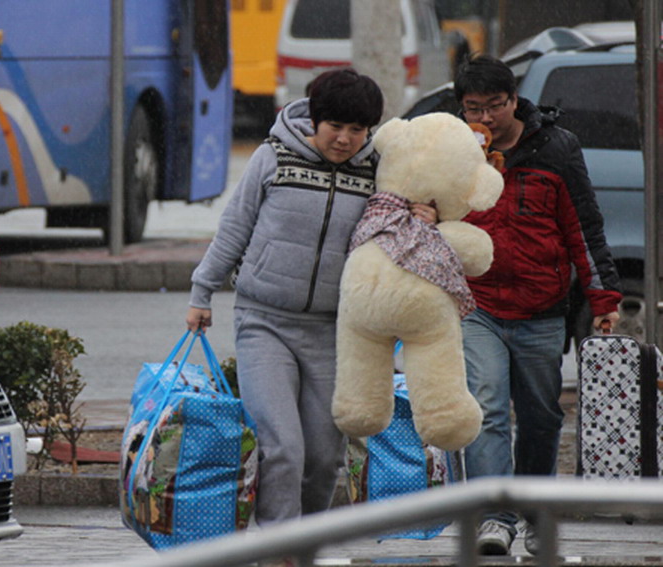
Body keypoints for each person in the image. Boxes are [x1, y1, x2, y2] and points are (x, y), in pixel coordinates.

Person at [185, 68, 437, 536]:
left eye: (356, 129)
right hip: (264, 322)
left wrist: (429, 213)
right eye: (334, 126)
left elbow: (403, 229)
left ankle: (304, 541)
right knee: (282, 446)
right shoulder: (274, 156)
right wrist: (203, 290)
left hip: (334, 331)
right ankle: (280, 548)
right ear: (314, 119)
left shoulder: (377, 172)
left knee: (324, 456)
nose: (344, 139)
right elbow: (234, 227)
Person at [454, 55, 622, 556]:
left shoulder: (556, 148)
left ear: (513, 99)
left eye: (494, 107)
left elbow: (585, 230)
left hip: (543, 310)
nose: (483, 120)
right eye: (472, 109)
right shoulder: (454, 150)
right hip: (476, 304)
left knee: (542, 416)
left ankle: (533, 513)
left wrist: (603, 298)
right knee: (485, 408)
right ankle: (494, 517)